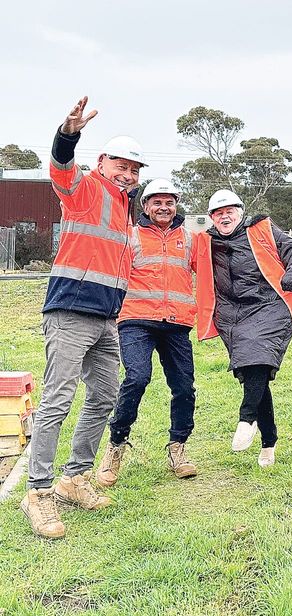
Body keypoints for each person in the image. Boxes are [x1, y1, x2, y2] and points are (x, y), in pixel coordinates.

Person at [21, 96, 145, 539]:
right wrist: (67, 132)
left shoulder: (127, 209)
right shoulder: (86, 189)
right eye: (122, 165)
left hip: (106, 319)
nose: (128, 174)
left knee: (104, 396)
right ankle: (37, 492)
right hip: (70, 312)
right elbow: (61, 168)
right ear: (103, 162)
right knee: (57, 401)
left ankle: (74, 477)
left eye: (135, 170)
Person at [95, 179, 198, 488]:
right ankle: (115, 446)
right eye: (157, 202)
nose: (163, 207)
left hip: (177, 323)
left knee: (184, 388)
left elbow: (212, 270)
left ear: (176, 205)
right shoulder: (131, 237)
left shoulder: (191, 239)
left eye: (169, 202)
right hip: (136, 320)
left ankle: (178, 449)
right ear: (145, 206)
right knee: (137, 378)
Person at [192, 189, 292, 467]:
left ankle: (246, 418)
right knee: (254, 373)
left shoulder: (262, 228)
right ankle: (269, 443)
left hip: (271, 304)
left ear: (240, 212)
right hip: (232, 315)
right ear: (211, 218)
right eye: (218, 213)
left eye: (230, 210)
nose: (224, 216)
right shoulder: (205, 242)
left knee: (258, 358)